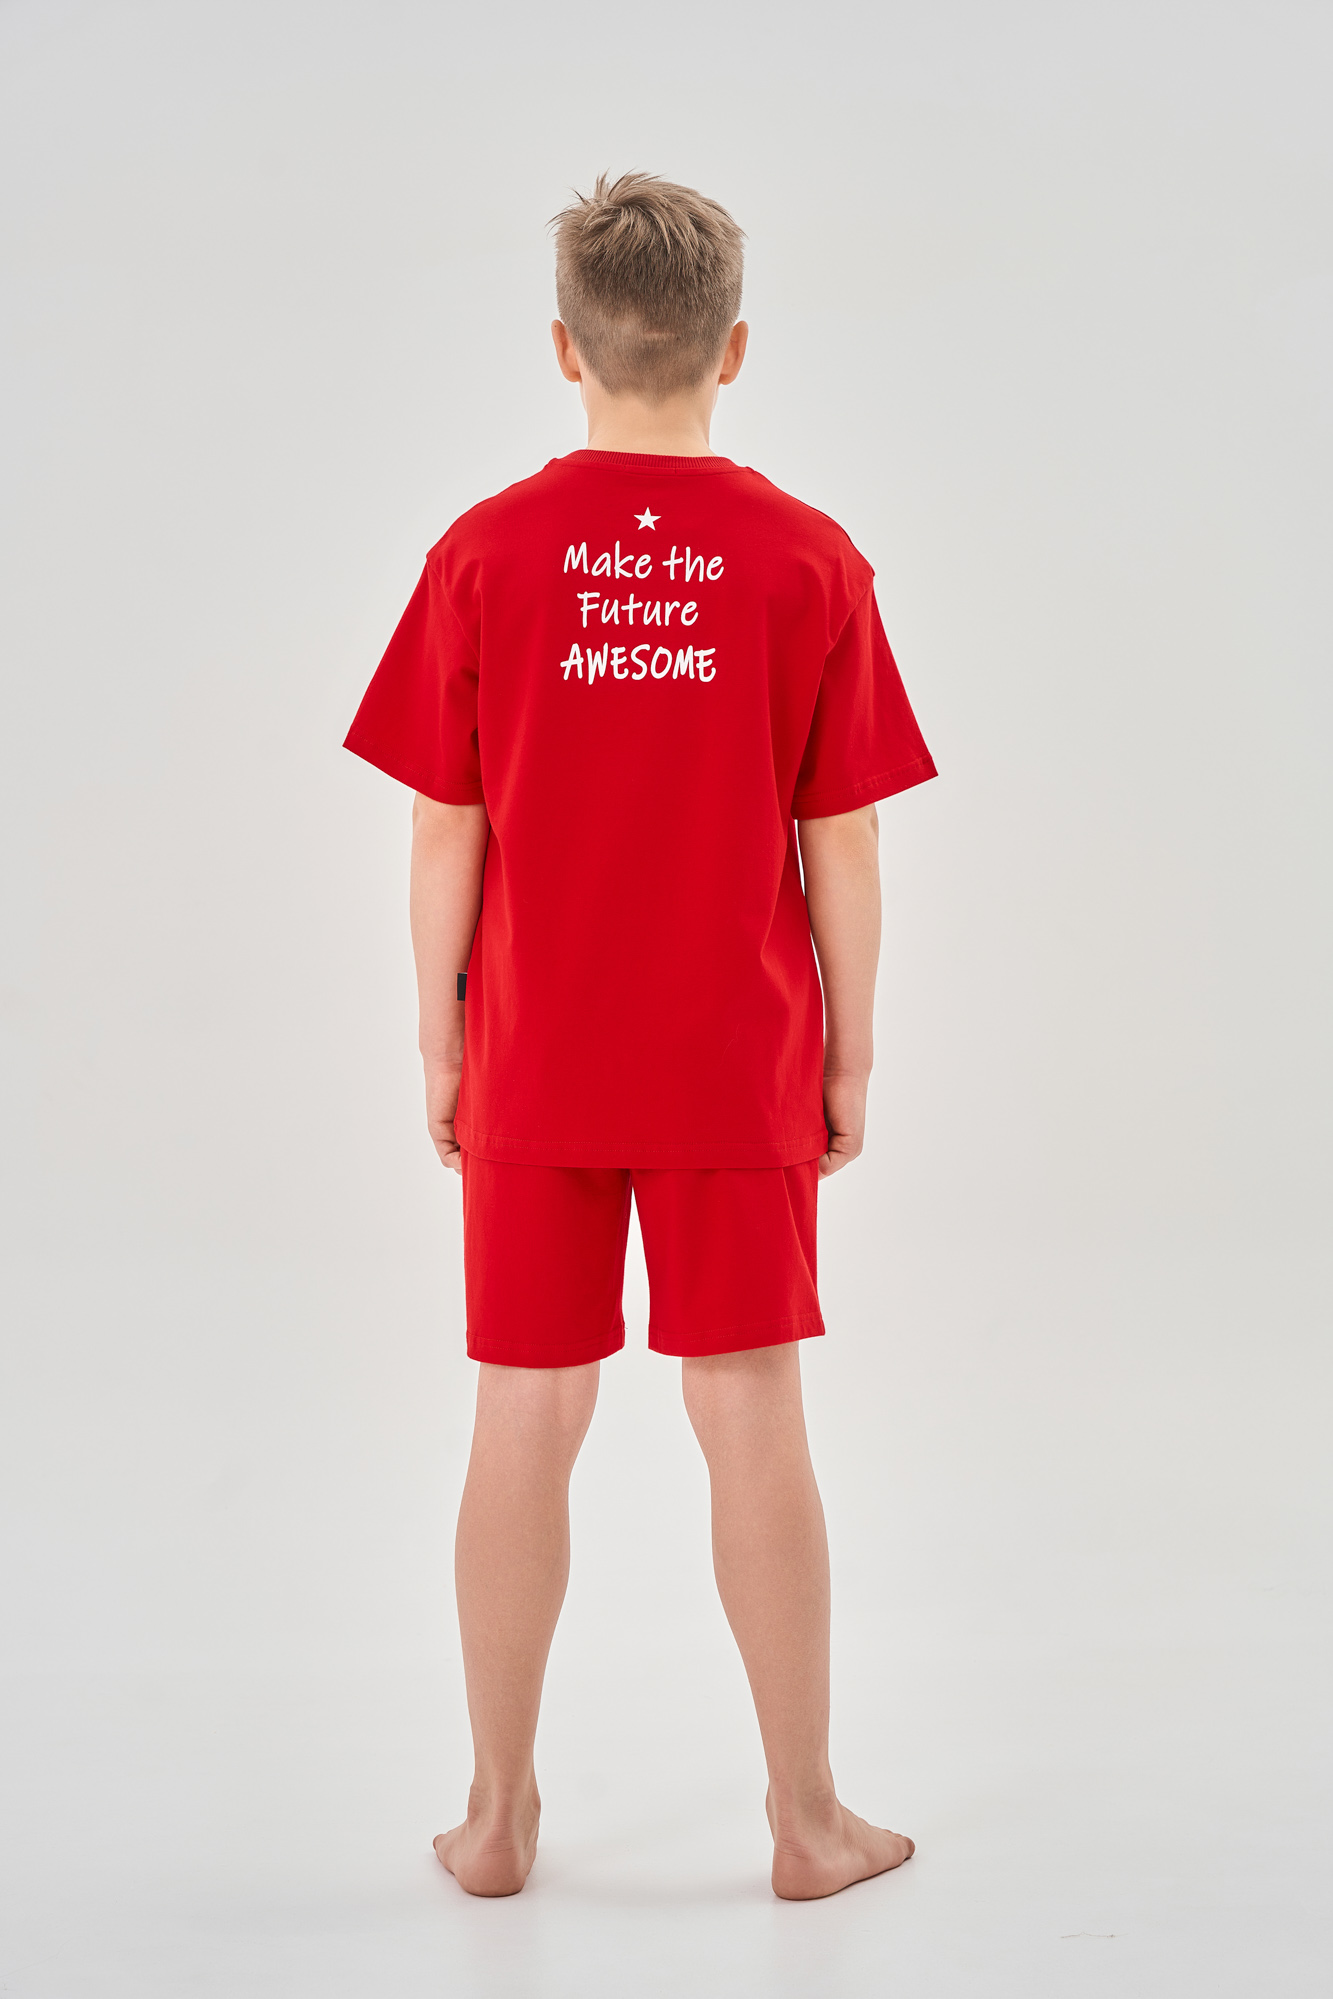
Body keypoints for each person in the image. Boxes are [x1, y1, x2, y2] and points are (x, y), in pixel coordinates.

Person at [344, 172, 937, 1901]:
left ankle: (495, 1816)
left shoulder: (484, 554)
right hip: (732, 1062)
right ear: (732, 348)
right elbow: (844, 835)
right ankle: (807, 1821)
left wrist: (442, 1041)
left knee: (523, 1412)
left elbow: (442, 824)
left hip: (535, 1055)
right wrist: (850, 1050)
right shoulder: (808, 559)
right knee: (748, 1406)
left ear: (564, 347)